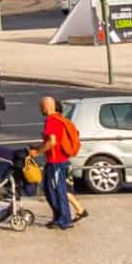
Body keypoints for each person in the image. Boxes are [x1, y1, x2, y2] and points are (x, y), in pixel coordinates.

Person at [31, 96, 79, 230]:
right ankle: (58, 217)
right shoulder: (59, 118)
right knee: (51, 190)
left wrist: (37, 151)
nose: (40, 109)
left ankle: (65, 220)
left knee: (58, 191)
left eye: (41, 106)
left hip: (56, 162)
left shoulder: (51, 120)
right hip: (58, 161)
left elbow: (52, 141)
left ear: (46, 107)